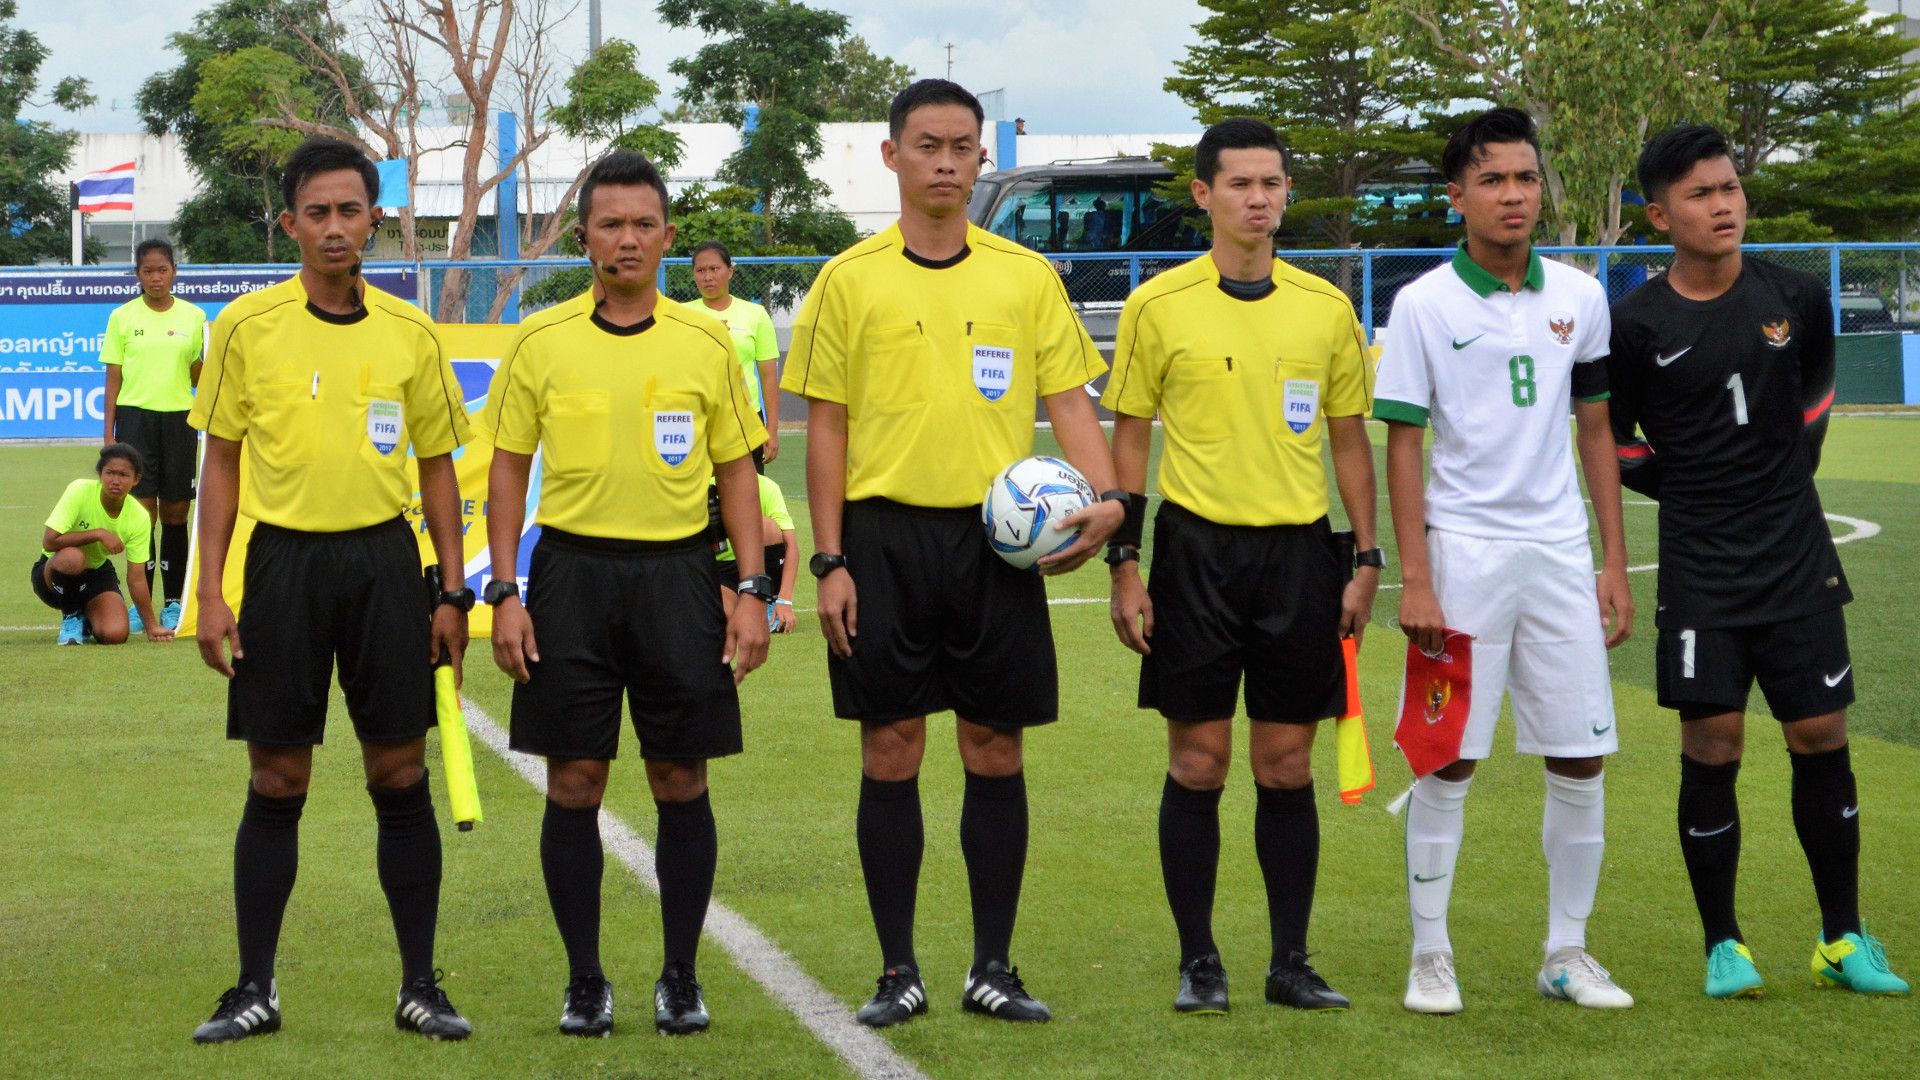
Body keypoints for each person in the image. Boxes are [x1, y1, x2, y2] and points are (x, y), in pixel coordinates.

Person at [782, 78, 1124, 1028]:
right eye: (926, 144)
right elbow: (829, 431)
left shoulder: (1023, 276)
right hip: (883, 541)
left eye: (961, 146)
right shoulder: (850, 280)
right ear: (891, 156)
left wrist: (1112, 503)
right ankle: (898, 970)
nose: (944, 161)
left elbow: (1068, 405)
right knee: (890, 748)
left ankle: (993, 967)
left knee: (995, 747)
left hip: (995, 544)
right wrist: (830, 560)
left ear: (982, 160)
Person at [1608, 124, 1908, 998]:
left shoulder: (1797, 295)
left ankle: (1843, 937)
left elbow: (1814, 393)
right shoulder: (1636, 323)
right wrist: (1690, 485)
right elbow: (1610, 438)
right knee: (1714, 741)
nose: (1724, 204)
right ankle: (1724, 944)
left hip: (1795, 551)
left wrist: (1779, 477)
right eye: (1701, 194)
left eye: (1731, 187)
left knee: (1820, 732)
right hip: (1701, 560)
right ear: (1662, 215)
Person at [187, 136, 475, 1044]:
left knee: (399, 771)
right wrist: (211, 592)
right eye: (318, 212)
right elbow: (222, 463)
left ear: (377, 220)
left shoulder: (411, 333)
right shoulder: (243, 327)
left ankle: (421, 985)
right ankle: (253, 989)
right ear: (289, 224)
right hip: (282, 569)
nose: (336, 227)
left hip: (388, 567)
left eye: (352, 210)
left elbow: (438, 468)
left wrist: (452, 592)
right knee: (277, 777)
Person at [484, 150, 771, 1038]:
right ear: (584, 238)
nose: (627, 238)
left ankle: (681, 976)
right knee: (574, 779)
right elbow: (504, 474)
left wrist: (752, 588)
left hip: (681, 577)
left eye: (644, 223)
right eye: (610, 223)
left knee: (679, 776)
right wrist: (505, 590)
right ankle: (585, 980)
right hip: (570, 576)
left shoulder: (706, 342)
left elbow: (737, 472)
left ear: (669, 237)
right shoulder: (540, 340)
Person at [1103, 117, 1380, 1015]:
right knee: (1198, 761)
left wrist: (1367, 555)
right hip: (1194, 556)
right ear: (1204, 195)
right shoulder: (1158, 305)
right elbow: (1131, 435)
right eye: (1240, 185)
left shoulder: (1325, 308)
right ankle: (1200, 961)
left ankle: (1290, 961)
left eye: (1272, 184)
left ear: (1286, 193)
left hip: (1299, 554)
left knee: (1287, 763)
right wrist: (1126, 560)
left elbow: (1349, 440)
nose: (1259, 200)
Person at [1372, 107, 1635, 1015]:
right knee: (1448, 760)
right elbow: (1402, 445)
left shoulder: (1579, 295)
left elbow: (1595, 427)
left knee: (1581, 756)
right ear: (1457, 197)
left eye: (1526, 178)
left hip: (1560, 554)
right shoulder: (1421, 304)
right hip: (1465, 552)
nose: (1514, 195)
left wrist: (1611, 559)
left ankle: (1568, 951)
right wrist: (1418, 575)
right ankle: (1430, 955)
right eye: (1493, 180)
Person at [100, 238, 206, 630]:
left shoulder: (195, 317)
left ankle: (174, 602)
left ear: (174, 271)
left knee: (176, 512)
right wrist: (108, 433)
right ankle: (141, 606)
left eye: (163, 270)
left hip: (180, 420)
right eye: (148, 271)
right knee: (143, 515)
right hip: (135, 421)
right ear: (138, 274)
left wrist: (209, 368)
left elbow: (198, 375)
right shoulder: (122, 317)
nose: (156, 278)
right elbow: (113, 378)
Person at [32, 443, 170, 645]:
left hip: (95, 573)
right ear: (100, 474)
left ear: (136, 479)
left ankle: (88, 618)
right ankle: (71, 617)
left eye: (123, 475)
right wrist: (98, 534)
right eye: (110, 473)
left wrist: (151, 626)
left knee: (114, 634)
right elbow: (50, 541)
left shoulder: (139, 517)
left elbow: (137, 577)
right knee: (73, 558)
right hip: (55, 573)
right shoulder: (79, 490)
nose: (115, 481)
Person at [692, 240, 783, 469]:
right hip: (698, 419)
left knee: (747, 497)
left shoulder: (756, 314)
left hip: (746, 420)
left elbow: (768, 376)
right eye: (701, 270)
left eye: (714, 269)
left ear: (730, 272)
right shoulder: (683, 314)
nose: (708, 277)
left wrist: (771, 429)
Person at [713, 472, 800, 634]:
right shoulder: (707, 486)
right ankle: (740, 604)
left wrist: (785, 600)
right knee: (721, 616)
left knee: (768, 526)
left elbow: (791, 545)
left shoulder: (767, 487)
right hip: (722, 569)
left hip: (756, 566)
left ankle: (770, 602)